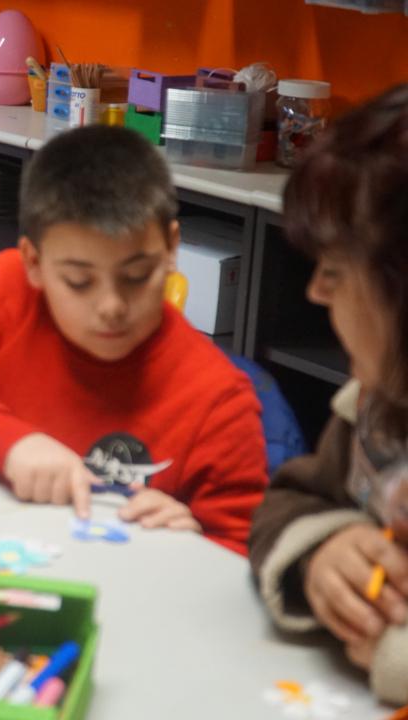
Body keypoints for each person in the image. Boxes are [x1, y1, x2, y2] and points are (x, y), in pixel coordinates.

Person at [0, 125, 268, 555]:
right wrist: (9, 443)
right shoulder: (10, 291)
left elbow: (247, 560)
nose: (111, 306)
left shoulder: (218, 399)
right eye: (78, 281)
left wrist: (196, 546)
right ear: (33, 262)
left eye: (136, 276)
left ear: (171, 249)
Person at [249, 83, 408, 705]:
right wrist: (322, 551)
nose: (316, 291)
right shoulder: (375, 410)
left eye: (336, 270)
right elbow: (290, 502)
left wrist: (397, 657)